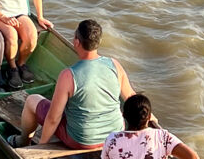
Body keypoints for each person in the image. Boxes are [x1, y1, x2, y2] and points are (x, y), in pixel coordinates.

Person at [10, 19, 136, 150]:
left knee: (32, 100)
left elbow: (53, 118)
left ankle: (22, 141)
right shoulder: (115, 65)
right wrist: (150, 120)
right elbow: (132, 97)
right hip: (115, 134)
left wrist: (41, 148)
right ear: (98, 42)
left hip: (81, 140)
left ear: (76, 42)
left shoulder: (68, 75)